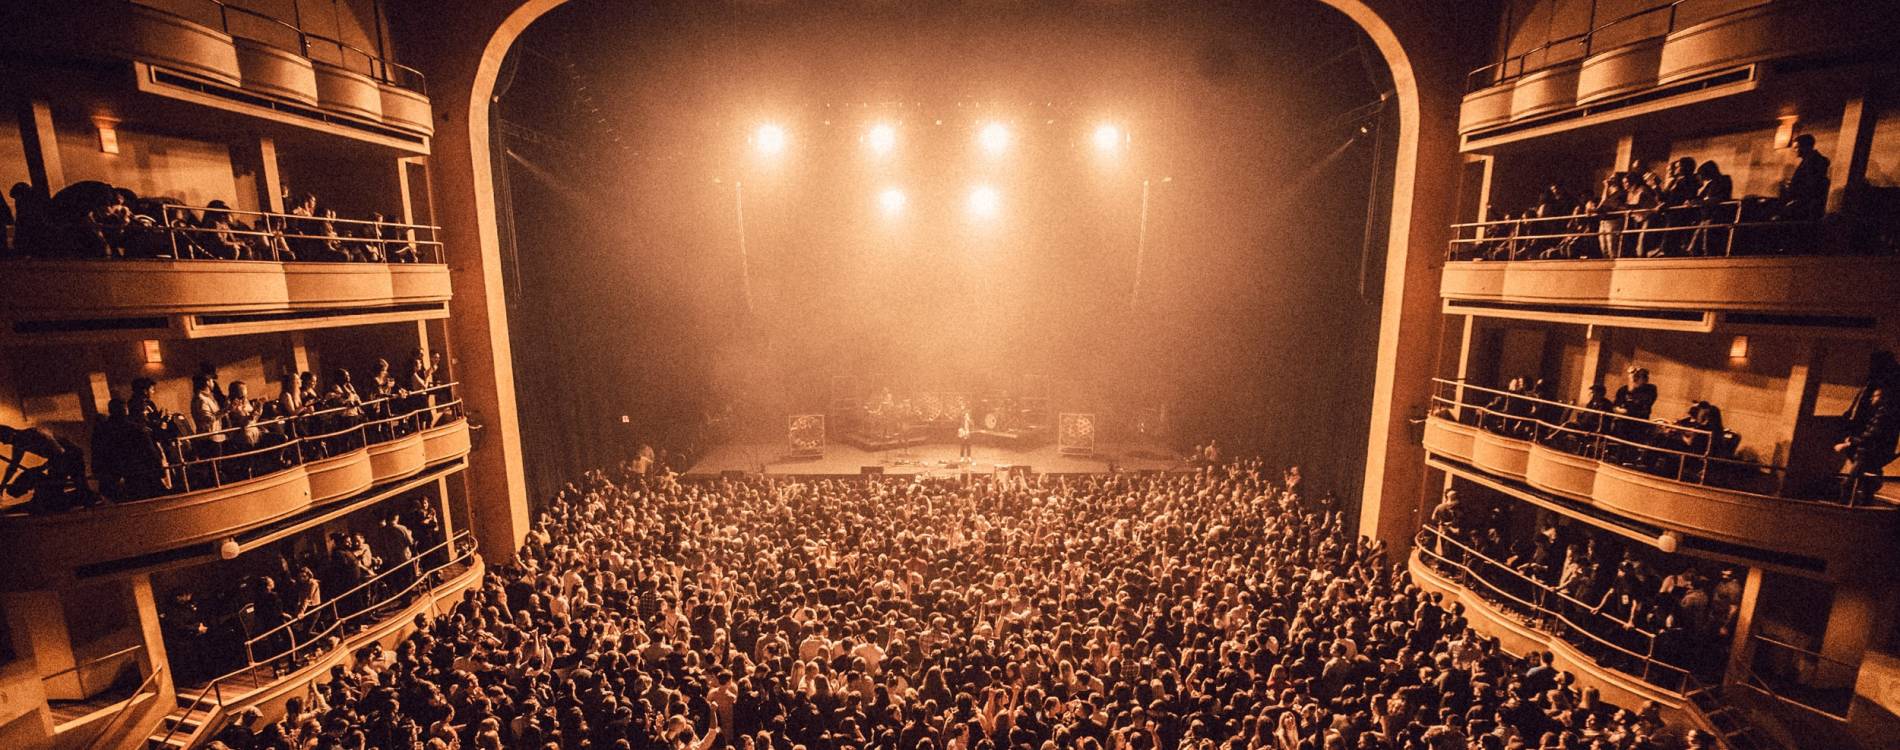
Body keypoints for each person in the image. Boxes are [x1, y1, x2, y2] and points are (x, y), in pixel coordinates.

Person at [1838, 351, 1900, 502]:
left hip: (1868, 447)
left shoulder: (1886, 394)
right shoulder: (1876, 388)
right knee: (1864, 478)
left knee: (1850, 483)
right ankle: (1864, 499)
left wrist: (1852, 440)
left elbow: (1878, 427)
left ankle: (1846, 509)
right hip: (1867, 444)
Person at [1779, 133, 1831, 223]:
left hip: (1805, 207)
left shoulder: (1813, 162)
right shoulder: (1810, 160)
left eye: (1796, 147)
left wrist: (1795, 197)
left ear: (1806, 147)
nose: (1794, 150)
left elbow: (1811, 186)